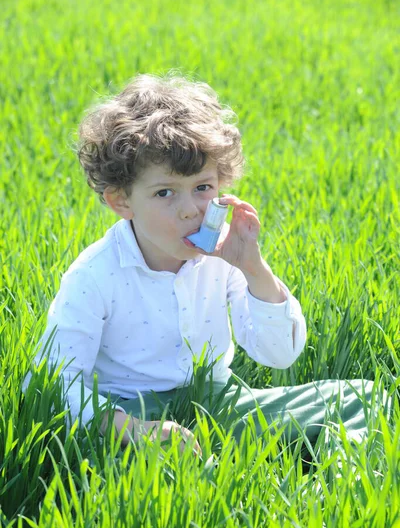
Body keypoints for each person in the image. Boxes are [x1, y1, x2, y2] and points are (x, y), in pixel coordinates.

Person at [23, 71, 390, 459]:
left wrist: (253, 267)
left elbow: (279, 355)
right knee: (159, 465)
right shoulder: (94, 275)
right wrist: (133, 429)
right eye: (164, 192)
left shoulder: (222, 256)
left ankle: (331, 492)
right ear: (121, 201)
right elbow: (54, 381)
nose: (190, 211)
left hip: (216, 401)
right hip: (130, 412)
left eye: (203, 187)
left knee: (364, 400)